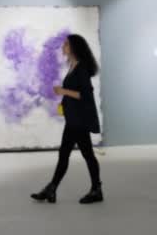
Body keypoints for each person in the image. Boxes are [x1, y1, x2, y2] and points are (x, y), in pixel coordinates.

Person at [31, 34, 103, 204]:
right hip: (74, 119)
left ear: (73, 48)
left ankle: (94, 190)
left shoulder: (81, 68)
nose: (63, 47)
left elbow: (84, 94)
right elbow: (75, 91)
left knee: (82, 155)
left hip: (79, 121)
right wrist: (64, 101)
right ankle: (53, 189)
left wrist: (63, 91)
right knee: (72, 154)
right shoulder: (73, 66)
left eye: (66, 45)